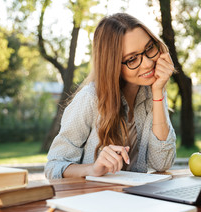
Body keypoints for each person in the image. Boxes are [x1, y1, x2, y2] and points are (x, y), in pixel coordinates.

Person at [45, 13, 176, 179]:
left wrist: (158, 92)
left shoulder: (151, 92)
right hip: (94, 199)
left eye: (149, 48)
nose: (148, 63)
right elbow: (53, 166)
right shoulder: (89, 99)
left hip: (136, 198)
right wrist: (92, 169)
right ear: (113, 65)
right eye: (132, 59)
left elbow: (162, 162)